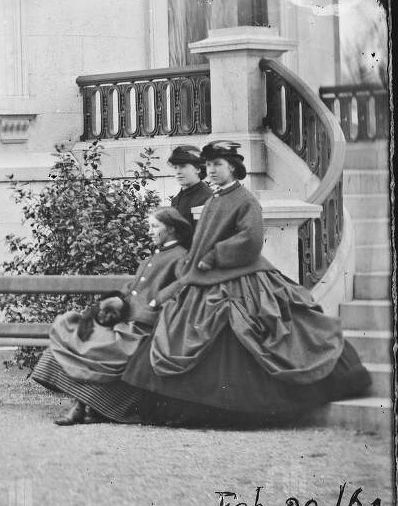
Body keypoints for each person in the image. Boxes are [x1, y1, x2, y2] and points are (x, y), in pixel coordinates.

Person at [116, 140, 371, 426]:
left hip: (240, 277)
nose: (211, 170)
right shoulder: (213, 200)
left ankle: (231, 410)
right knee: (180, 328)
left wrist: (214, 256)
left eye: (218, 165)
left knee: (243, 333)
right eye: (208, 165)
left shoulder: (245, 200)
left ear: (233, 167)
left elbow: (250, 240)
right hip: (205, 276)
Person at [31, 207, 193, 426]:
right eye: (149, 226)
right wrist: (116, 298)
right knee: (76, 332)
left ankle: (81, 407)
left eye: (155, 226)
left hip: (143, 326)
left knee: (98, 347)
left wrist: (157, 301)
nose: (149, 231)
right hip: (126, 318)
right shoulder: (156, 254)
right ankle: (85, 406)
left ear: (172, 229)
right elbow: (135, 287)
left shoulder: (181, 257)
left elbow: (185, 284)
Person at [167, 144, 213, 228]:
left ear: (197, 169)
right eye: (175, 167)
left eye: (183, 166)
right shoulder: (176, 200)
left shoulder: (207, 198)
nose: (178, 172)